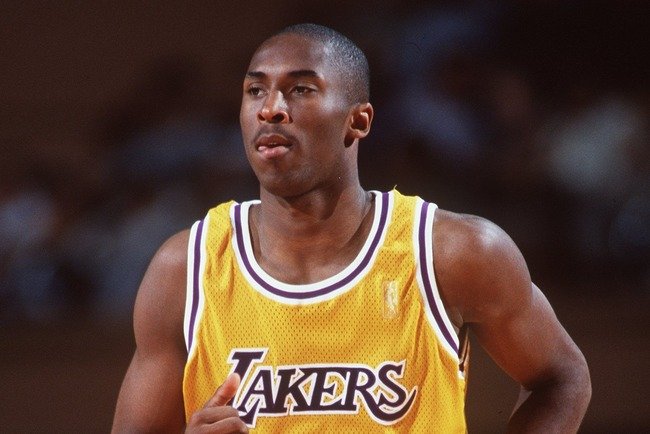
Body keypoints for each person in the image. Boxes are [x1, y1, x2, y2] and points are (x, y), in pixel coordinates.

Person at [111, 23, 591, 433]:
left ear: (358, 120)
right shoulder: (186, 268)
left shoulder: (450, 251)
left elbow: (562, 378)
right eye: (255, 90)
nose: (270, 108)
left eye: (301, 89)